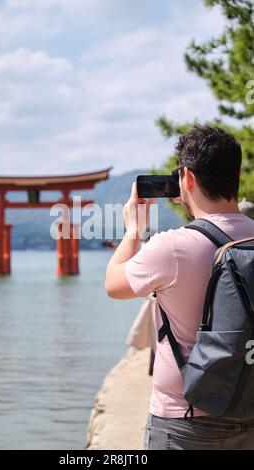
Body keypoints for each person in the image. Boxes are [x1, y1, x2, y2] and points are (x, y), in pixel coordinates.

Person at [105, 126, 254, 450]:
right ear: (236, 175)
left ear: (186, 178)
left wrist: (133, 229)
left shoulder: (172, 247)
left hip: (186, 421)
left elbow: (114, 285)